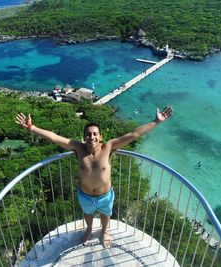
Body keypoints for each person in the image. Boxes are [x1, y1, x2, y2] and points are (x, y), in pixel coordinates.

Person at [15, 106, 173, 248]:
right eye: (88, 134)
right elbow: (54, 137)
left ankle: (104, 232)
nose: (92, 137)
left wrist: (156, 121)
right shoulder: (78, 147)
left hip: (105, 195)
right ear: (84, 137)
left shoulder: (109, 147)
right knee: (87, 214)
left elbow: (133, 134)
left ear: (101, 136)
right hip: (85, 195)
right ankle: (89, 229)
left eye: (95, 134)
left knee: (106, 214)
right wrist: (32, 127)